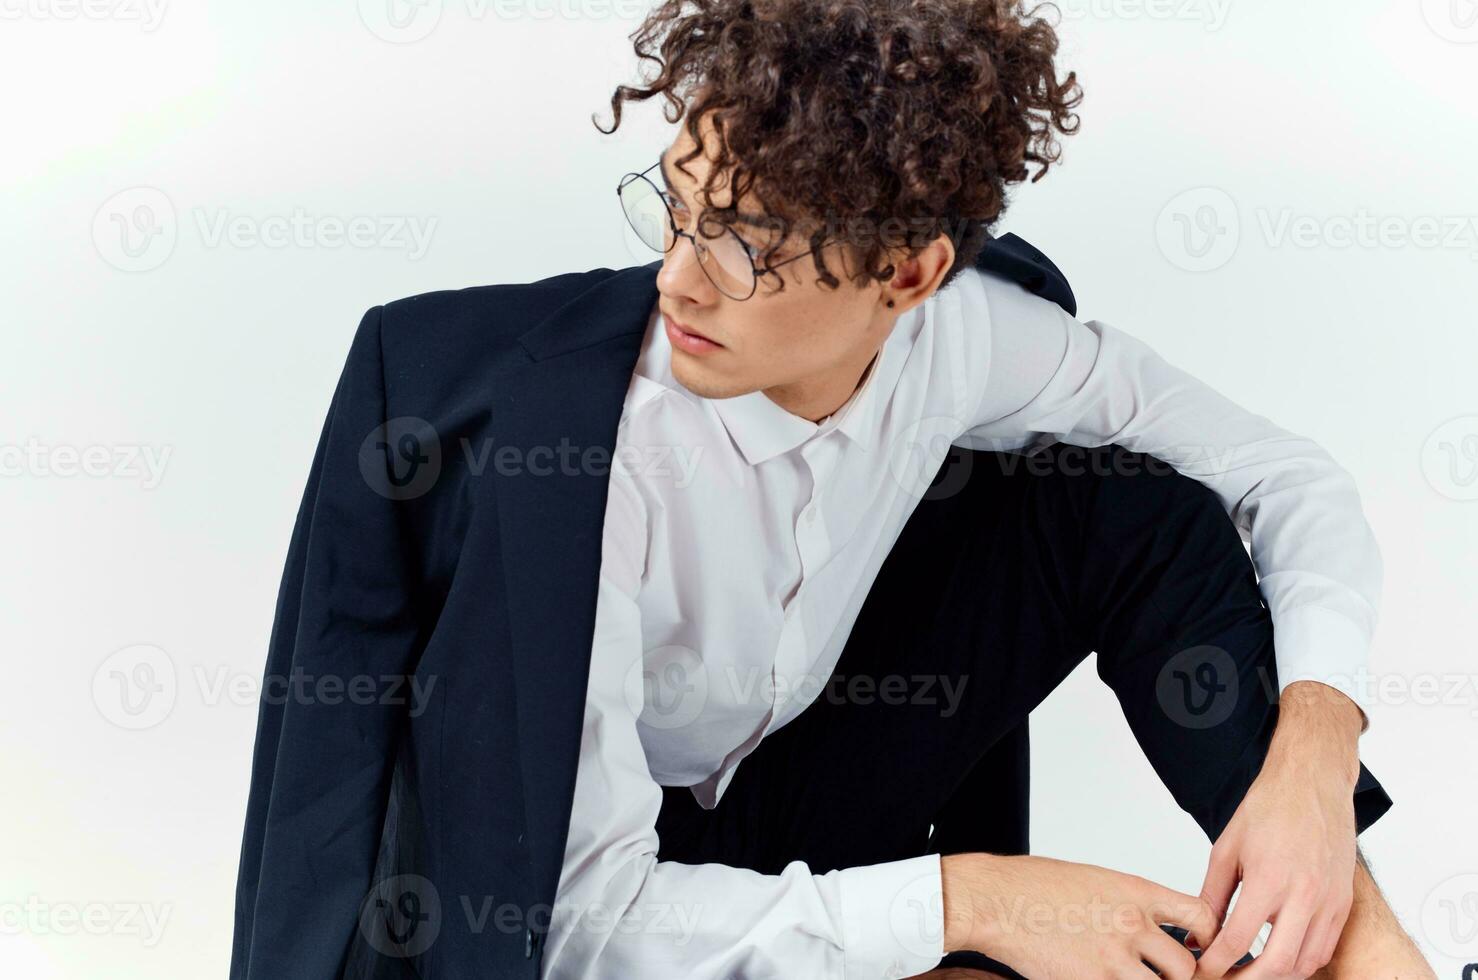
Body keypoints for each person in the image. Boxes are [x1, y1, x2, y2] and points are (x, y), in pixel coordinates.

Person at [230, 2, 1432, 978]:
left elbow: (1281, 474)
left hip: (807, 781)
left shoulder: (964, 339)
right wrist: (978, 898)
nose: (678, 280)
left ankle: (1368, 959)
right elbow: (581, 922)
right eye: (677, 206)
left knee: (1131, 509)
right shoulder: (596, 458)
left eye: (746, 244)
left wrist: (1310, 767)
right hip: (592, 879)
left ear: (903, 275)